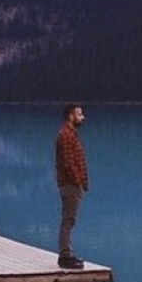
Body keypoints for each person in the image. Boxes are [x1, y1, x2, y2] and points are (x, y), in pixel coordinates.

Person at [55, 103, 88, 270]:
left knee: (69, 219)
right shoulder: (66, 135)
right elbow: (69, 163)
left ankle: (66, 254)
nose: (83, 117)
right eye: (79, 114)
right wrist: (78, 182)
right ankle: (65, 256)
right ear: (71, 116)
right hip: (70, 185)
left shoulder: (70, 134)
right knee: (68, 219)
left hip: (72, 184)